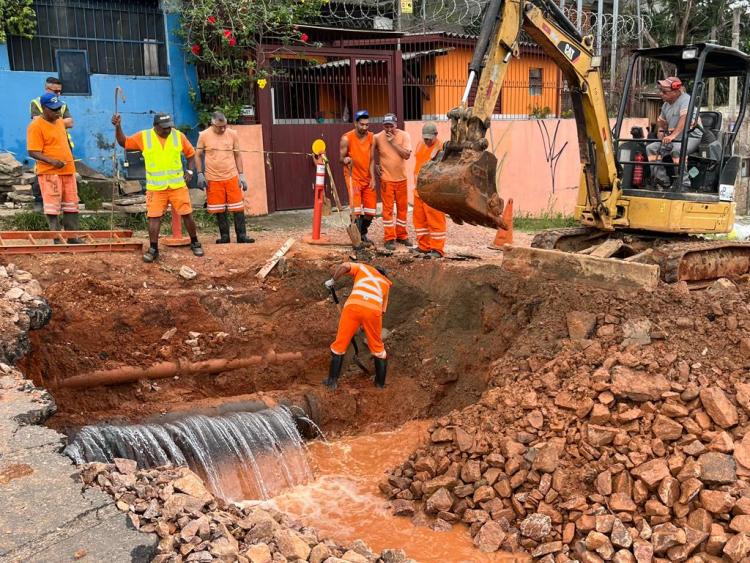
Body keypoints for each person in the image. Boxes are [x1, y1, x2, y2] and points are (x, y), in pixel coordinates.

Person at [112, 112, 204, 263]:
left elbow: (190, 154)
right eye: (164, 128)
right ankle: (153, 249)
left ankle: (195, 242)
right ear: (155, 126)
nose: (168, 130)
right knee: (153, 217)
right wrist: (118, 127)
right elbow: (124, 142)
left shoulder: (178, 136)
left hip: (177, 186)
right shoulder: (144, 137)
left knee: (187, 214)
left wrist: (189, 170)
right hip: (156, 188)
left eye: (169, 127)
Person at [323, 262, 392, 390]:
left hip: (352, 308)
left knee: (339, 346)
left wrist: (333, 280)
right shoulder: (386, 284)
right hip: (373, 312)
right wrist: (365, 326)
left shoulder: (363, 268)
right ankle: (380, 384)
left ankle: (332, 382)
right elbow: (381, 312)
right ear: (384, 275)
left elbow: (344, 266)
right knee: (378, 348)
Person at [27, 93, 82, 242]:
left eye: (58, 108)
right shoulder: (36, 126)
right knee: (52, 207)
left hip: (68, 171)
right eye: (53, 109)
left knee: (72, 205)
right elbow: (33, 151)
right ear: (44, 109)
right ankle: (56, 237)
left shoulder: (59, 122)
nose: (57, 112)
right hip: (49, 173)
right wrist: (52, 161)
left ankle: (72, 237)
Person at [196, 111, 254, 244]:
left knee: (238, 207)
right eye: (220, 126)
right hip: (213, 178)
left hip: (231, 176)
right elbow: (198, 154)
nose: (223, 129)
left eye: (225, 126)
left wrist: (241, 175)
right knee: (219, 209)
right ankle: (224, 237)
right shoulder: (204, 135)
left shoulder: (232, 134)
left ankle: (242, 236)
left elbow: (238, 155)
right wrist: (200, 174)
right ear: (213, 123)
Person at [646, 76, 702, 189]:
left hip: (691, 137)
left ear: (676, 91)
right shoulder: (666, 105)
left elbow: (684, 118)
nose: (661, 94)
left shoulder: (686, 100)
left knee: (677, 149)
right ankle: (662, 180)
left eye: (664, 92)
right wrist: (661, 133)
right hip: (675, 138)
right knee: (651, 148)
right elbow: (661, 123)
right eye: (661, 91)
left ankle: (683, 183)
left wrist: (672, 136)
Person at [30, 77, 74, 211]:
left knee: (66, 176)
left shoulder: (62, 104)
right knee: (43, 173)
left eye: (60, 91)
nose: (58, 94)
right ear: (46, 89)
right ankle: (39, 202)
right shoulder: (37, 103)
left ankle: (63, 203)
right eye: (55, 91)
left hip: (63, 144)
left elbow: (70, 122)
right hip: (44, 145)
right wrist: (58, 120)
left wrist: (54, 119)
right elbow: (38, 120)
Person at [374, 113, 412, 250]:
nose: (389, 129)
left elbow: (406, 155)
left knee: (402, 209)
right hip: (387, 180)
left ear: (396, 125)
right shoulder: (377, 137)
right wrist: (375, 166)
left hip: (401, 178)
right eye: (386, 126)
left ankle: (401, 235)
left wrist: (393, 142)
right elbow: (369, 153)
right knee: (387, 210)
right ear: (383, 125)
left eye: (391, 126)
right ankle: (389, 238)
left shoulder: (404, 136)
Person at [339, 109, 376, 245]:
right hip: (352, 176)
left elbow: (372, 159)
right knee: (356, 211)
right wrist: (346, 160)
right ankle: (358, 239)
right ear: (355, 123)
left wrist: (373, 178)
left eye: (367, 125)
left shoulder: (372, 137)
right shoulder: (346, 138)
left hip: (367, 178)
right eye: (362, 124)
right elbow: (340, 158)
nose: (365, 127)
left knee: (371, 211)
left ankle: (362, 233)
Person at [411, 122, 446, 258]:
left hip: (433, 193)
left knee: (435, 220)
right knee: (420, 221)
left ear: (436, 135)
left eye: (429, 138)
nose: (427, 140)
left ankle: (437, 249)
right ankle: (424, 247)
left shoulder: (441, 148)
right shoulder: (420, 144)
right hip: (419, 191)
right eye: (425, 138)